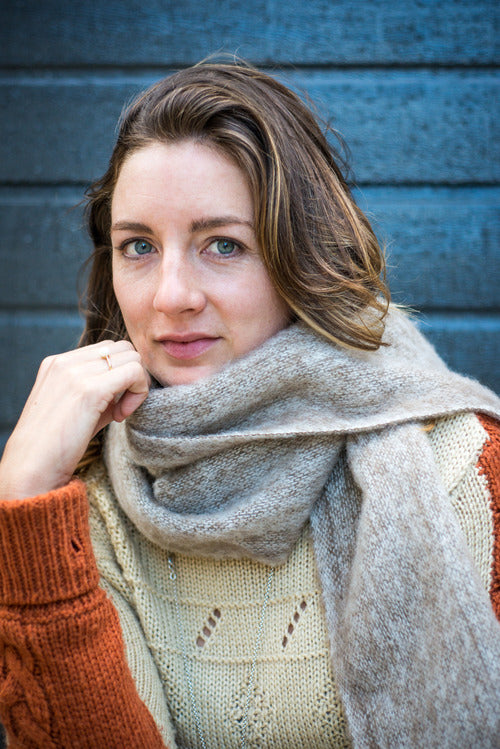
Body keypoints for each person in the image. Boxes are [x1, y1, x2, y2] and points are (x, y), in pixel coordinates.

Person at [0, 60, 499, 749]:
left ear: (302, 256)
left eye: (223, 245)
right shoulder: (78, 506)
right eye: (138, 246)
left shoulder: (464, 473)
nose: (171, 296)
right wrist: (23, 499)